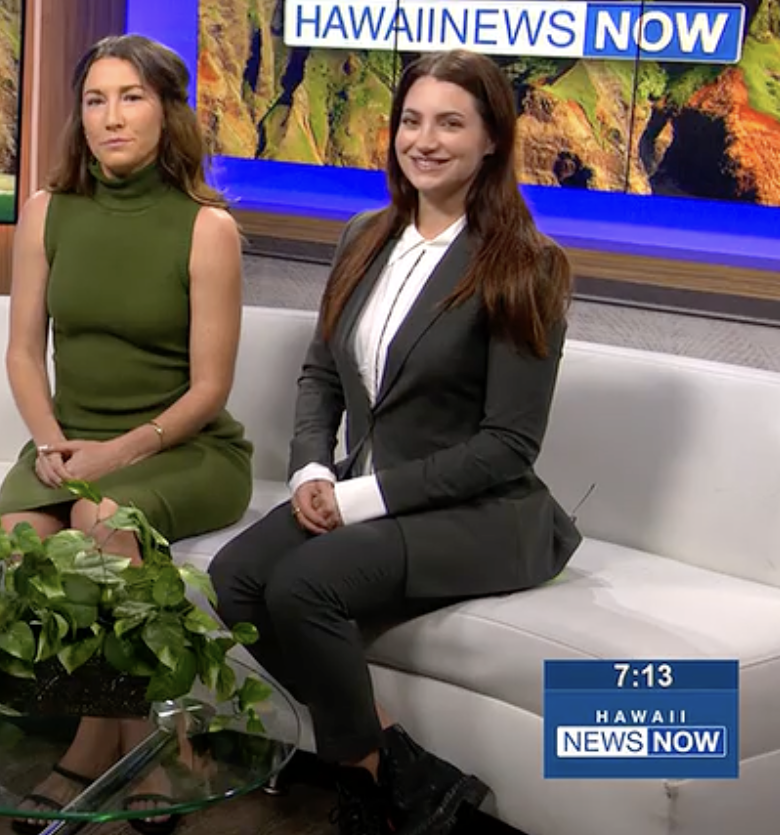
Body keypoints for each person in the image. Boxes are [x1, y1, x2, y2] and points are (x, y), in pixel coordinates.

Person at [207, 48, 580, 835]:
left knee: (303, 586)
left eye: (452, 122)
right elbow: (321, 375)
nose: (426, 140)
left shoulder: (526, 265)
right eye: (412, 120)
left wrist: (354, 500)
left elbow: (508, 447)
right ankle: (396, 764)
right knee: (236, 577)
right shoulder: (364, 237)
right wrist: (312, 467)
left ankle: (368, 788)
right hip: (360, 486)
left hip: (481, 512)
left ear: (491, 141)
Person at [0, 34, 253, 834]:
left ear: (168, 111)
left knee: (99, 522)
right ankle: (131, 740)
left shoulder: (207, 228)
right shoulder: (47, 212)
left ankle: (100, 746)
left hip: (182, 447)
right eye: (96, 100)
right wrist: (49, 443)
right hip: (69, 442)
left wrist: (115, 456)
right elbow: (21, 352)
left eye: (132, 97)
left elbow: (210, 391)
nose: (112, 117)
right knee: (15, 533)